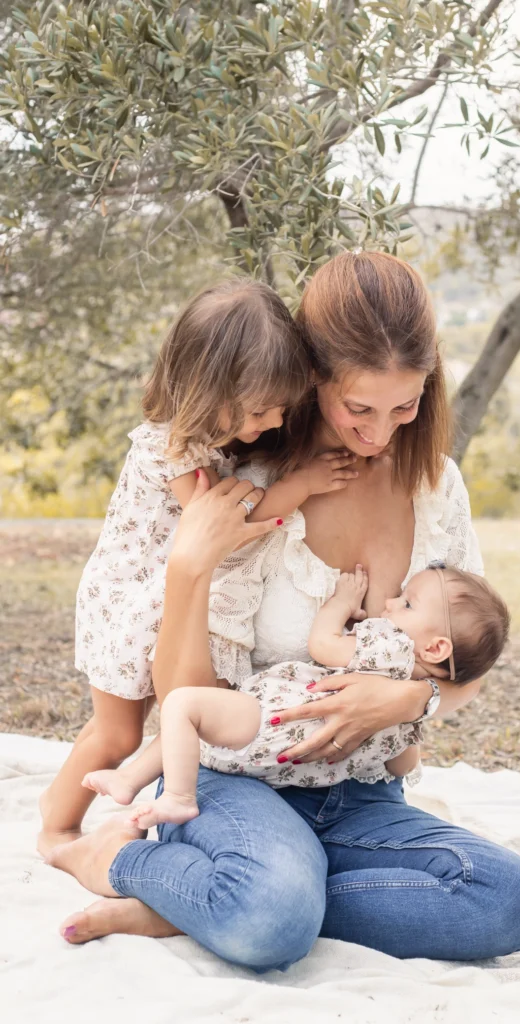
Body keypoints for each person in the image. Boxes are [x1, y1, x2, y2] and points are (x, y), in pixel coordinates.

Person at [50, 251, 520, 969]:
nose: (380, 435)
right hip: (233, 778)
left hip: (361, 794)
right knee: (270, 927)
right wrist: (192, 565)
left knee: (510, 902)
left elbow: (465, 662)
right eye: (359, 409)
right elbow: (183, 695)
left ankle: (231, 892)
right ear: (313, 379)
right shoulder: (247, 487)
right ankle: (123, 861)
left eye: (404, 407)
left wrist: (406, 698)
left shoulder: (436, 489)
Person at [38, 278, 358, 857]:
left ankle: (135, 800)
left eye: (281, 408)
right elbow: (228, 521)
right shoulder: (170, 447)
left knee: (178, 720)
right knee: (117, 732)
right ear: (206, 389)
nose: (272, 421)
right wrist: (302, 485)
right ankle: (56, 823)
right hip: (130, 599)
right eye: (260, 410)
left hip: (166, 596)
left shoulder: (215, 439)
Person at [81, 562, 510, 827]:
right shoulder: (406, 720)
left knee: (183, 707)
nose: (392, 603)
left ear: (434, 647)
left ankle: (165, 792)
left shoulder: (391, 646)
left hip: (270, 719)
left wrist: (342, 603)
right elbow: (401, 767)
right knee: (193, 721)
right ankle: (136, 784)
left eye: (408, 605)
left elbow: (324, 645)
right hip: (296, 769)